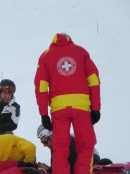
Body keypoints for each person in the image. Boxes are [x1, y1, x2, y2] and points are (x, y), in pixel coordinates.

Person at [34, 33, 101, 174]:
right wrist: (95, 108)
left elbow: (41, 86)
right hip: (81, 108)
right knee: (85, 147)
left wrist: (44, 114)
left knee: (60, 149)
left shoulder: (46, 55)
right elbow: (94, 81)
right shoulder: (81, 51)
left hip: (59, 110)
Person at [36, 125, 102, 174]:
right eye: (42, 142)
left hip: (92, 158)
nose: (44, 145)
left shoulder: (70, 143)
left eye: (45, 142)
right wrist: (47, 169)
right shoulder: (55, 145)